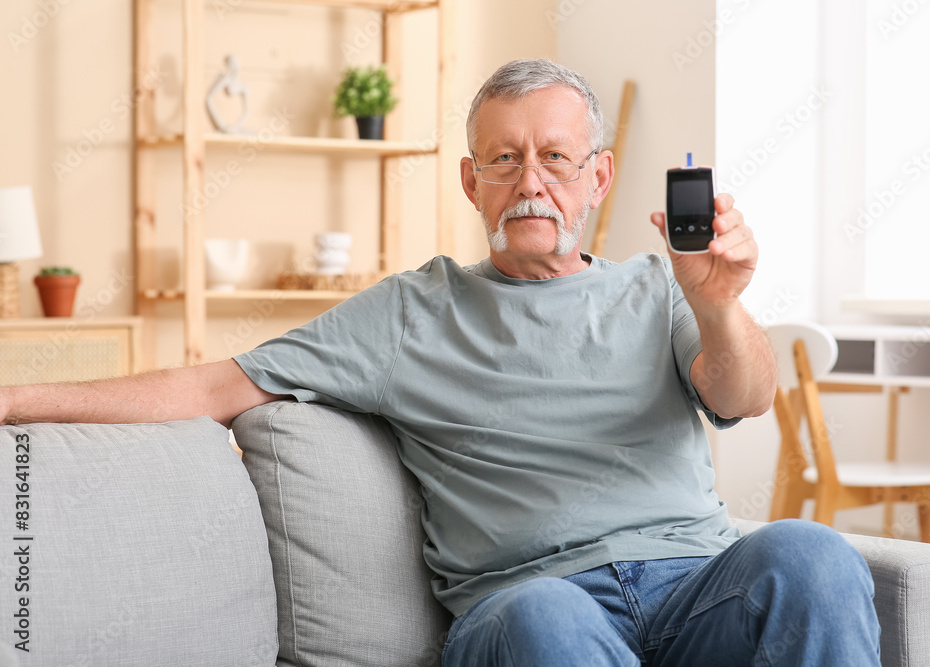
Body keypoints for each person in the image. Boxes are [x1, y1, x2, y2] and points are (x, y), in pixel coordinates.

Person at [0, 59, 880, 665]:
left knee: (812, 554)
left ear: (600, 177)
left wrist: (717, 299)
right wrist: (13, 396)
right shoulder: (409, 312)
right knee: (548, 618)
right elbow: (210, 383)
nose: (531, 180)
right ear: (472, 182)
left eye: (556, 158)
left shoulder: (660, 286)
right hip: (531, 605)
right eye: (505, 159)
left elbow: (746, 393)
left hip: (696, 584)